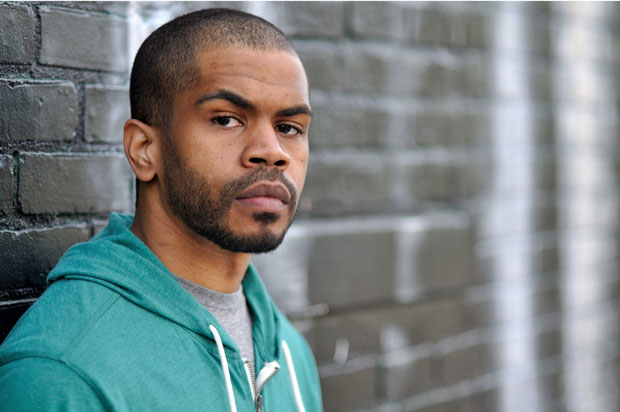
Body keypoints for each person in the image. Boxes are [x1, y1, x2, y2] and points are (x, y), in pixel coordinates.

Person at [0, 8, 322, 412]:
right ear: (144, 150)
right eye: (226, 120)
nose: (272, 152)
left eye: (289, 128)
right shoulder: (63, 372)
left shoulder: (289, 353)